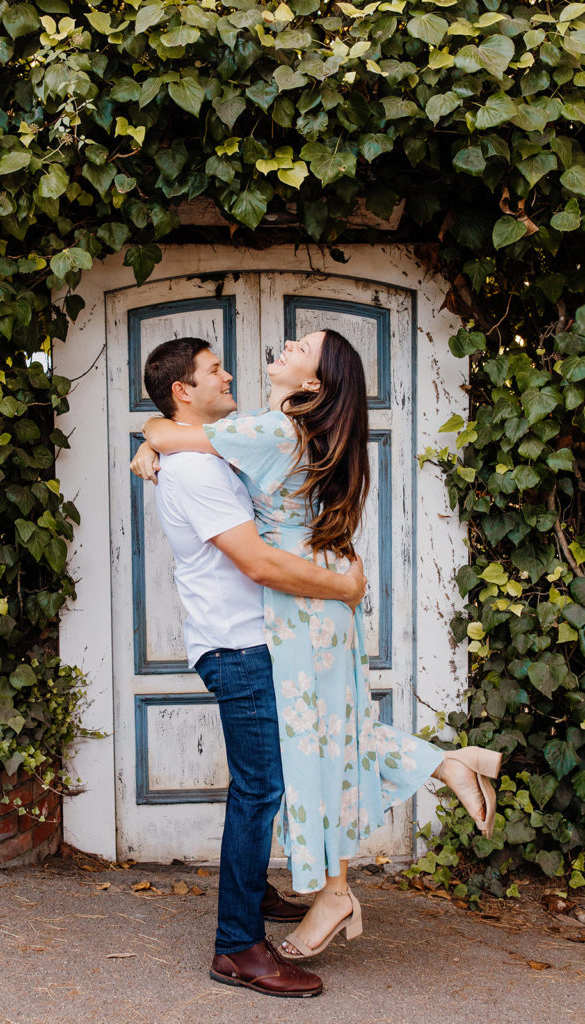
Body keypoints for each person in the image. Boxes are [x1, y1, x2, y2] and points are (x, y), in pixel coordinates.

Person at [137, 328, 503, 961]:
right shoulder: (278, 430)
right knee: (327, 734)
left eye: (300, 347)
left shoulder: (274, 433)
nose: (280, 344)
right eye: (214, 368)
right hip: (310, 607)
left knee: (315, 743)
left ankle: (334, 886)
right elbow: (171, 428)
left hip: (306, 604)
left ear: (312, 383)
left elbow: (173, 431)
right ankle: (442, 768)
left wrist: (155, 443)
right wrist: (154, 443)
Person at [133, 336, 369, 997]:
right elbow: (260, 563)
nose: (228, 373)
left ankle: (258, 898)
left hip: (257, 639)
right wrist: (346, 589)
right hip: (238, 647)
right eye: (214, 371)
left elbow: (195, 443)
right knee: (258, 792)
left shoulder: (216, 451)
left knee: (269, 783)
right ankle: (237, 947)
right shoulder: (197, 470)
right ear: (186, 391)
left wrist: (153, 439)